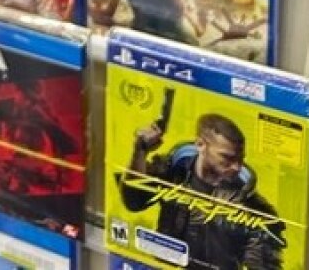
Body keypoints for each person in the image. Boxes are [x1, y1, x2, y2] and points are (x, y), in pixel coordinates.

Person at [119, 112, 285, 270]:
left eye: (240, 159)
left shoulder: (254, 209)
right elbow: (133, 201)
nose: (237, 167)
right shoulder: (174, 172)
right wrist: (140, 150)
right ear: (200, 145)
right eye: (227, 158)